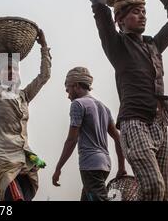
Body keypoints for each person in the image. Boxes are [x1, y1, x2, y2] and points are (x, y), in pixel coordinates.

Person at [85, 0, 168, 200]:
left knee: (163, 195)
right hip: (134, 123)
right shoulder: (117, 45)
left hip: (158, 124)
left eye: (144, 11)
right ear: (119, 20)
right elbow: (100, 11)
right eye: (135, 12)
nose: (142, 15)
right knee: (153, 186)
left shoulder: (153, 45)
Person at [0, 21, 51, 201]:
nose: (12, 72)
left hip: (26, 160)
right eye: (7, 69)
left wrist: (44, 46)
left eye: (14, 69)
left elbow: (44, 76)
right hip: (4, 160)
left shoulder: (24, 96)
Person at [52, 67, 126, 201]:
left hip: (90, 166)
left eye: (68, 90)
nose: (68, 95)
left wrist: (58, 168)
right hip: (105, 165)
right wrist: (121, 167)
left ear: (76, 85)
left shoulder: (78, 104)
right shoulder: (104, 108)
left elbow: (71, 140)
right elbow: (118, 138)